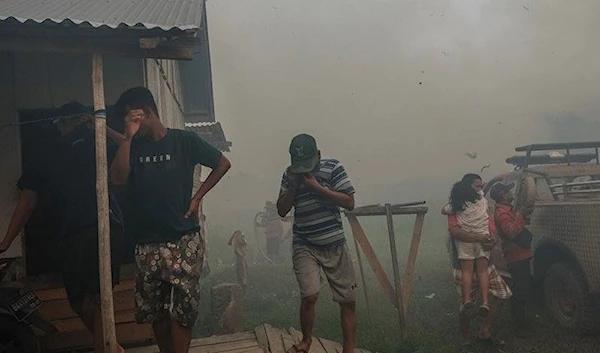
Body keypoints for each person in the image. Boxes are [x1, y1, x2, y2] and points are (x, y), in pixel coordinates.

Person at [110, 87, 231, 353]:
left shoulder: (184, 141)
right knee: (155, 311)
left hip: (183, 239)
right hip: (146, 243)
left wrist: (198, 196)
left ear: (145, 112)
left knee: (183, 310)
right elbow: (117, 179)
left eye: (130, 118)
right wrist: (128, 137)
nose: (128, 125)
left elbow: (222, 163)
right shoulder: (134, 147)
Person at [0, 101, 125, 353]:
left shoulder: (94, 142)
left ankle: (105, 348)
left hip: (101, 222)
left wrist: (100, 125)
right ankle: (111, 345)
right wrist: (5, 243)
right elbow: (27, 201)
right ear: (61, 123)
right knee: (78, 299)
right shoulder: (47, 153)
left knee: (99, 295)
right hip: (71, 230)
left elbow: (126, 143)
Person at [277, 134, 357, 353]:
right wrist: (294, 186)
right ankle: (306, 340)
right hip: (305, 244)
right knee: (310, 295)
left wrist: (318, 188)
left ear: (319, 155)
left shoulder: (333, 168)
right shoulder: (289, 174)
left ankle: (349, 347)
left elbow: (349, 202)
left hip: (334, 244)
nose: (304, 170)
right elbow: (281, 210)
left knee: (347, 299)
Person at [446, 212, 512, 352]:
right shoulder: (456, 209)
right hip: (463, 268)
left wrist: (492, 241)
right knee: (465, 305)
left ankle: (485, 330)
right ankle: (466, 338)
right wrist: (480, 237)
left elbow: (492, 232)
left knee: (501, 294)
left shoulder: (483, 209)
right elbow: (455, 232)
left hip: (486, 265)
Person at [443, 174, 492, 317]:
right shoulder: (483, 202)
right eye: (478, 186)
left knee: (467, 272)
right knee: (483, 272)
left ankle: (467, 299)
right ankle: (485, 302)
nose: (481, 189)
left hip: (465, 242)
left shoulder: (458, 205)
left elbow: (443, 210)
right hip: (483, 238)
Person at [490, 182, 534, 335]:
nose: (511, 192)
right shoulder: (502, 213)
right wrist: (520, 215)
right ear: (503, 195)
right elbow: (512, 232)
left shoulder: (507, 209)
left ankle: (521, 321)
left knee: (524, 288)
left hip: (520, 255)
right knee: (521, 291)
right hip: (516, 257)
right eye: (508, 190)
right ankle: (518, 326)